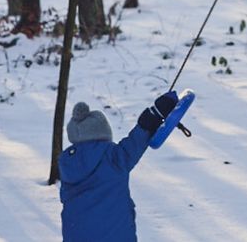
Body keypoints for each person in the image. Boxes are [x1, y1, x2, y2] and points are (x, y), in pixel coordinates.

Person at [59, 92, 178, 241]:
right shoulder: (112, 157)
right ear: (102, 133)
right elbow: (137, 139)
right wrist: (158, 111)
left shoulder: (67, 164)